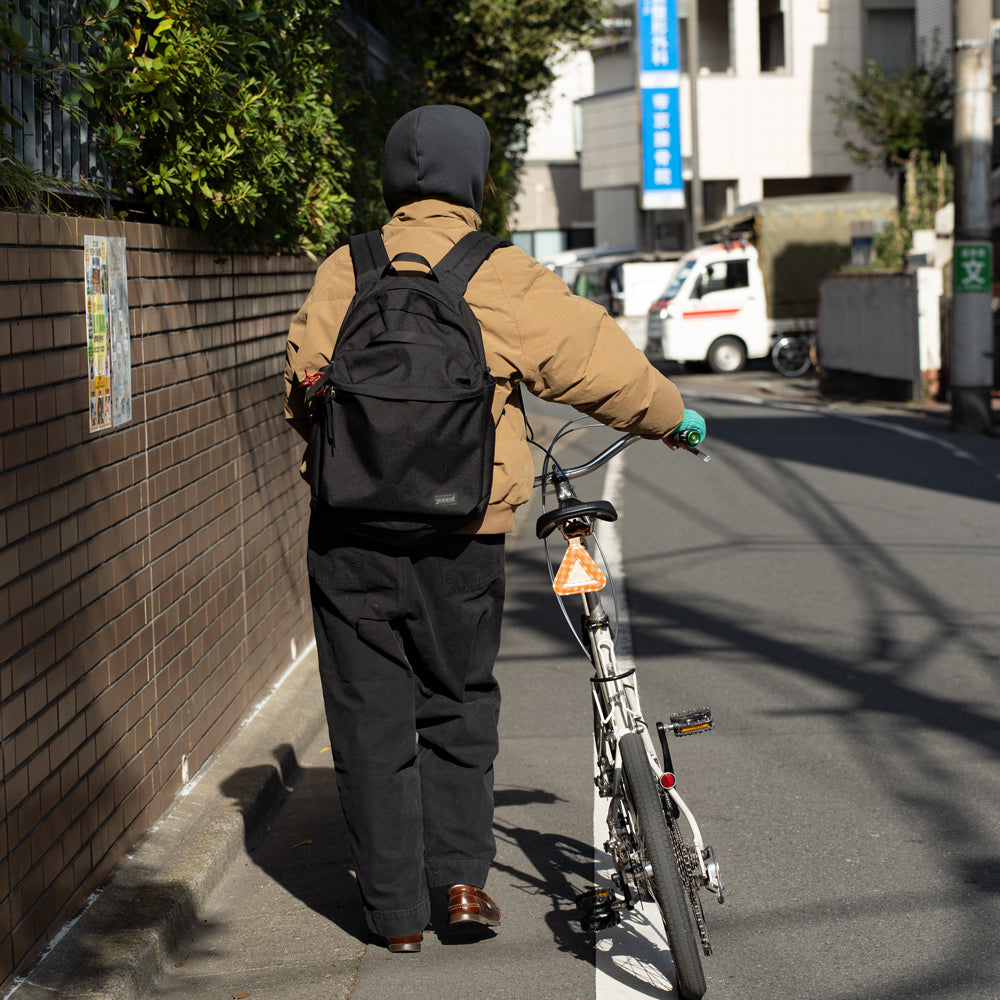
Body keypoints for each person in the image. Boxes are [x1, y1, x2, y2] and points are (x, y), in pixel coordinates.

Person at [284, 104, 704, 953]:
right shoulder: (499, 272)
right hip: (464, 533)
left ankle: (394, 917)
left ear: (393, 179)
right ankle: (463, 885)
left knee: (366, 717)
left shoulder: (345, 267)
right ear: (474, 177)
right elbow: (595, 362)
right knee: (457, 702)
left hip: (349, 535)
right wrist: (672, 417)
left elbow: (303, 388)